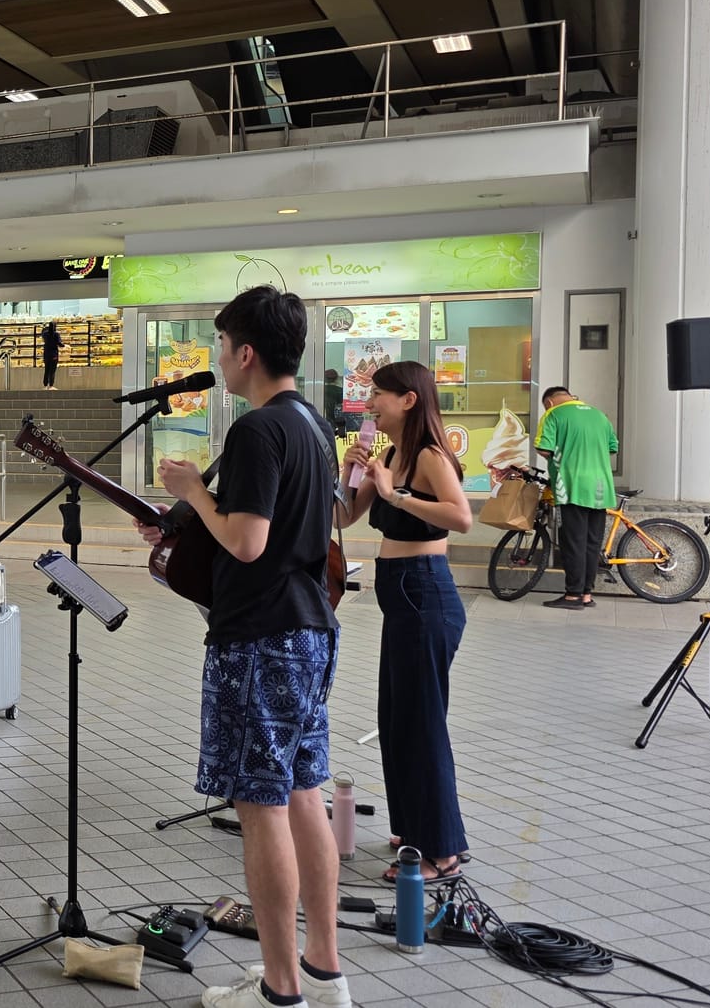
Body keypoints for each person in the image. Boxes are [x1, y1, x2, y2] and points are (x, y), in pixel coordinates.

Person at [136, 285, 347, 1008]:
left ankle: (281, 989)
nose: (219, 358)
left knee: (260, 806)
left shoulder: (257, 430)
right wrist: (192, 517)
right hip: (310, 629)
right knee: (303, 793)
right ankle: (324, 969)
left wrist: (195, 493)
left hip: (260, 637)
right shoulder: (311, 423)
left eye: (222, 346)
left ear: (246, 352)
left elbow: (250, 542)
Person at [337, 361, 474, 885]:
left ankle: (441, 851)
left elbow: (461, 517)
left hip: (425, 593)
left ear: (409, 400)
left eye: (378, 394)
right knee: (396, 719)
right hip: (401, 598)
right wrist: (348, 474)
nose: (370, 404)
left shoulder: (429, 455)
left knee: (420, 724)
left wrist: (396, 494)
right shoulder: (390, 455)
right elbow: (342, 517)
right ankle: (413, 828)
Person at [536, 386, 620, 610]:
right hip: (601, 487)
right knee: (592, 543)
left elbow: (544, 448)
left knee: (573, 542)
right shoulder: (599, 415)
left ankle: (573, 595)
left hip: (571, 485)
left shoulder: (553, 414)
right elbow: (613, 447)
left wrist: (563, 454)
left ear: (549, 402)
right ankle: (586, 594)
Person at [41, 321, 62, 389]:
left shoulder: (45, 334)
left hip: (46, 354)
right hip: (54, 355)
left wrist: (44, 328)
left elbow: (42, 335)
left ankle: (45, 385)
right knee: (52, 371)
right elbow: (59, 343)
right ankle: (51, 385)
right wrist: (64, 345)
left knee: (46, 370)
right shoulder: (56, 334)